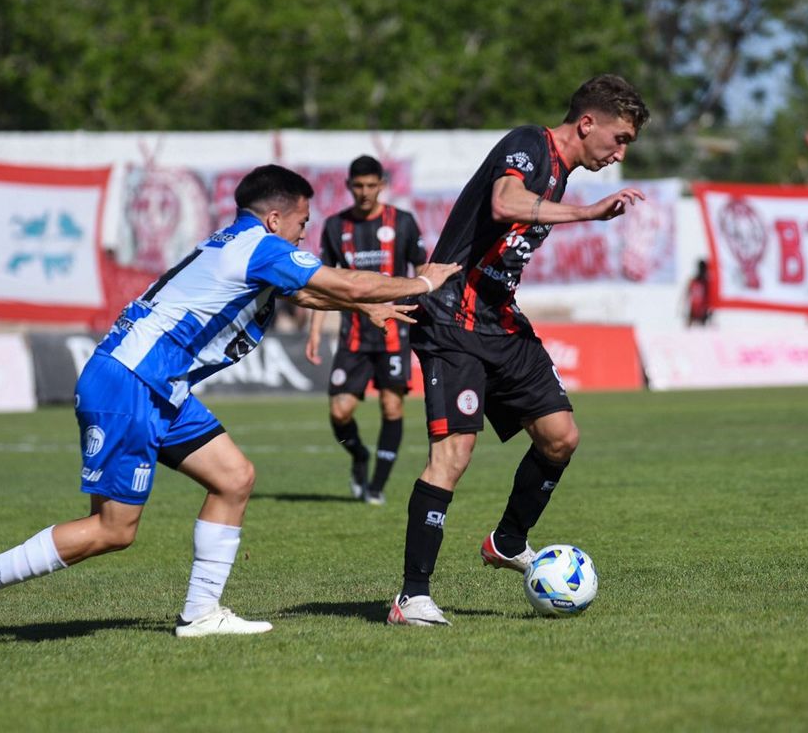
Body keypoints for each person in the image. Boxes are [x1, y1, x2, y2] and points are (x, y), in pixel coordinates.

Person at [0, 165, 460, 646]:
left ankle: (200, 613)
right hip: (132, 383)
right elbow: (340, 280)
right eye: (303, 221)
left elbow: (308, 295)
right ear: (275, 217)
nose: (306, 232)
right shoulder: (260, 246)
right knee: (113, 529)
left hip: (157, 386)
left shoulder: (240, 243)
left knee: (233, 477)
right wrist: (423, 282)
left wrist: (363, 304)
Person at [387, 74, 650, 626]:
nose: (621, 151)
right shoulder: (530, 144)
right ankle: (412, 597)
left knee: (561, 437)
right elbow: (505, 202)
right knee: (453, 456)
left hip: (499, 318)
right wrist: (587, 214)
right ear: (587, 123)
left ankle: (508, 541)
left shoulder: (562, 173)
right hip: (451, 318)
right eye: (620, 138)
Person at [305, 156, 427, 505]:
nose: (365, 192)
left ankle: (376, 487)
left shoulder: (402, 223)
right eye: (358, 186)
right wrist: (315, 333)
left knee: (392, 408)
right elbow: (321, 284)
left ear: (381, 185)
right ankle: (358, 455)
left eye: (371, 185)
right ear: (349, 186)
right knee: (339, 412)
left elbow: (421, 274)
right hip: (353, 334)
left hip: (392, 334)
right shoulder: (334, 226)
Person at [684, 259, 713, 327]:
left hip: (697, 310)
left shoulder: (693, 281)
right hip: (702, 311)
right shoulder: (706, 282)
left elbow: (687, 294)